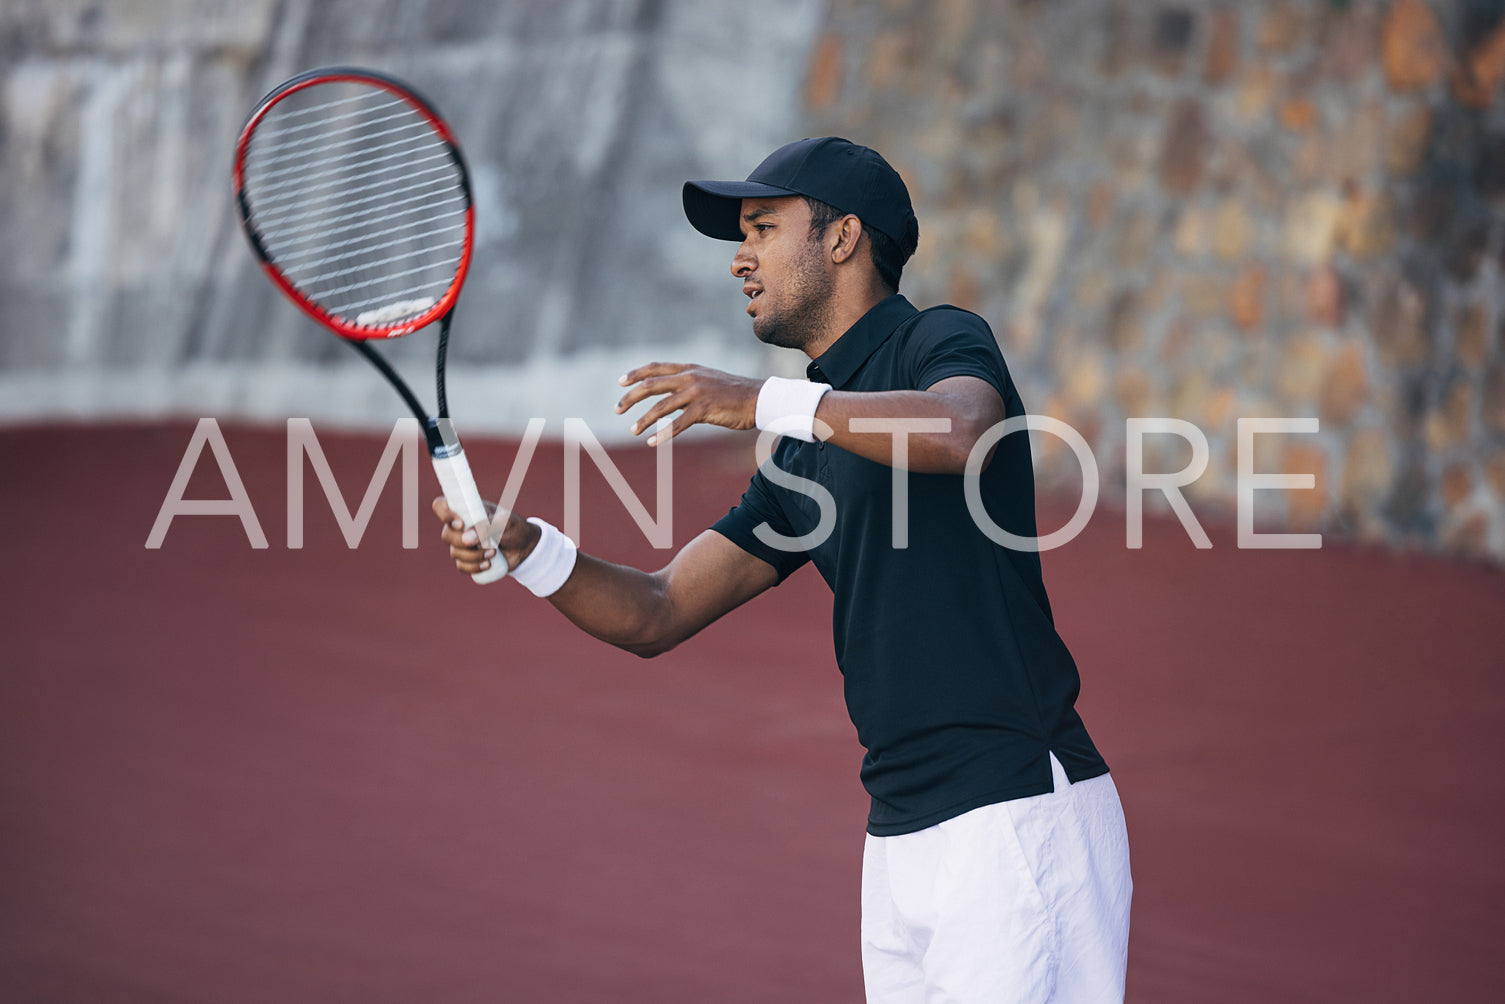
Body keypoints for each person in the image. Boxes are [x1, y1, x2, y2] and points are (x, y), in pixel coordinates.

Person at [433, 137, 1132, 1003]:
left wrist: (760, 401)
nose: (740, 258)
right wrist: (530, 549)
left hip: (1015, 815)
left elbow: (959, 434)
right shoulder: (803, 453)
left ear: (842, 239)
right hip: (902, 838)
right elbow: (658, 608)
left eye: (763, 228)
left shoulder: (938, 339)